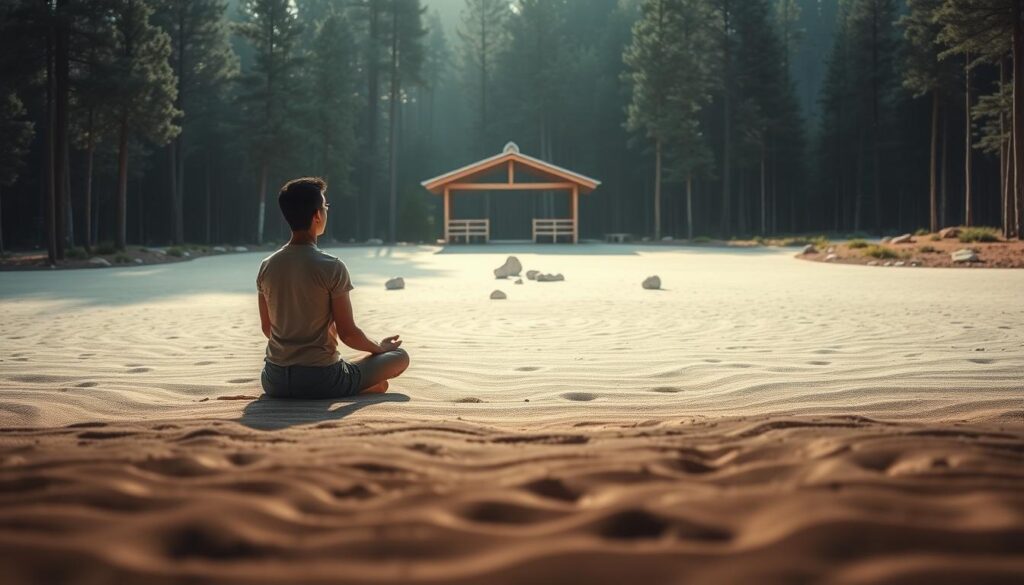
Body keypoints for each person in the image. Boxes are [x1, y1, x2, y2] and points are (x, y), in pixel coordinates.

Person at [257, 177, 409, 398]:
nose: (326, 211)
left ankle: (359, 384)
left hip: (274, 380)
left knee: (354, 370)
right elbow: (348, 334)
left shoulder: (267, 266)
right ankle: (358, 386)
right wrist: (380, 347)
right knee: (400, 357)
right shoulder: (331, 266)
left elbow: (267, 328)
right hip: (322, 379)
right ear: (317, 215)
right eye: (325, 206)